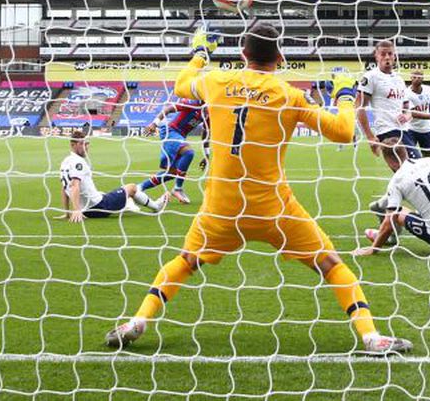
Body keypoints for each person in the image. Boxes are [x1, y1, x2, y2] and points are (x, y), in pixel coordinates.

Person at [105, 24, 411, 355]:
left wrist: (199, 54)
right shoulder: (287, 94)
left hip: (222, 208)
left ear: (242, 55)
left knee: (186, 261)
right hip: (274, 209)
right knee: (331, 264)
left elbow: (181, 85)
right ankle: (370, 337)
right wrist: (345, 96)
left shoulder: (215, 81)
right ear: (279, 58)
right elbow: (341, 131)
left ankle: (138, 321)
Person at [59, 128, 165, 220]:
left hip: (86, 209)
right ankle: (156, 207)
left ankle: (128, 204)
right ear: (73, 145)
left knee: (103, 193)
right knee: (132, 188)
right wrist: (76, 210)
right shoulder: (78, 162)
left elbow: (64, 188)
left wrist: (67, 212)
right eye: (82, 144)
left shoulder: (65, 162)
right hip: (98, 207)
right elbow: (74, 185)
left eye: (87, 143)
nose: (86, 147)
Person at [141, 97, 207, 204]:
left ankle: (139, 188)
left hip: (180, 136)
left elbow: (206, 135)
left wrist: (206, 155)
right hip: (170, 131)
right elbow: (167, 109)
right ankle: (178, 189)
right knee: (188, 152)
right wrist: (154, 124)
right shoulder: (193, 103)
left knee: (171, 173)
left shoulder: (209, 114)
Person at [355, 40, 411, 160]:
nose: (387, 57)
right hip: (387, 131)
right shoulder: (370, 77)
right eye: (383, 54)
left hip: (404, 130)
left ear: (394, 56)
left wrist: (406, 116)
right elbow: (359, 106)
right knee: (412, 168)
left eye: (390, 54)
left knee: (407, 172)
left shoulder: (399, 79)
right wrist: (370, 136)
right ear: (376, 56)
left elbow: (407, 107)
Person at [402, 70, 430, 158]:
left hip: (426, 129)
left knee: (427, 155)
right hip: (411, 129)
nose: (417, 79)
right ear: (410, 78)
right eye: (414, 77)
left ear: (423, 78)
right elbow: (413, 113)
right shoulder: (406, 93)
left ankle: (425, 171)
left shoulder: (428, 89)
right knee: (410, 155)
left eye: (419, 77)